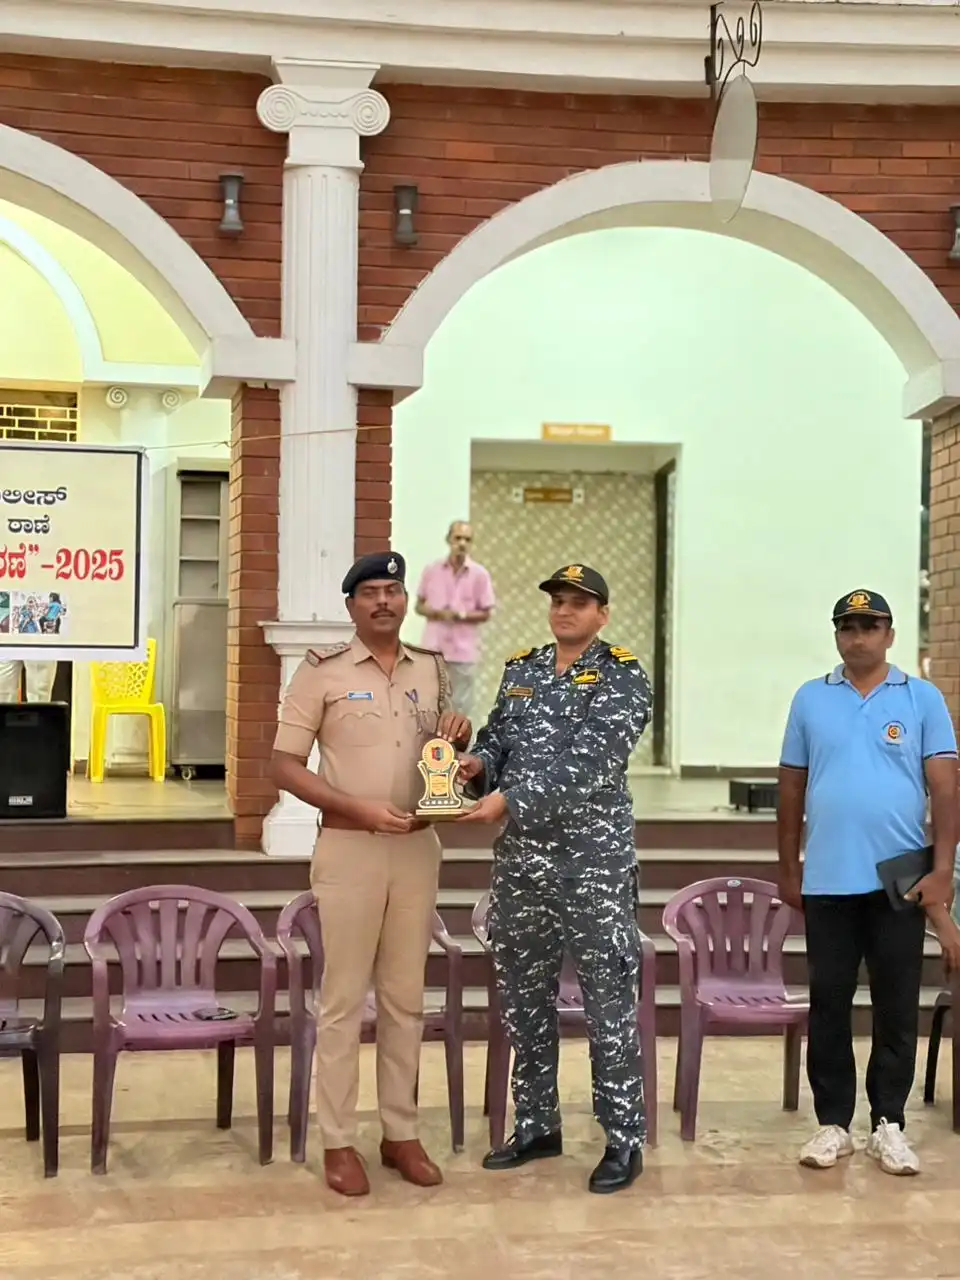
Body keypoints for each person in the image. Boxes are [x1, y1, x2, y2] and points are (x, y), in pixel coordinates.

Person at [270, 551, 471, 1198]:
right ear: (352, 606)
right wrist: (351, 805)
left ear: (405, 599)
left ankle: (401, 1133)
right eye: (371, 593)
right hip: (351, 849)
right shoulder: (322, 672)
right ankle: (338, 1141)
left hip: (417, 847)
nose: (384, 600)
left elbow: (441, 759)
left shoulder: (432, 669)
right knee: (343, 1000)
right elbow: (284, 765)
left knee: (406, 998)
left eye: (393, 589)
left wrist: (460, 745)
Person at [457, 563, 652, 1194]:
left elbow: (593, 761)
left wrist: (507, 800)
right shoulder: (524, 671)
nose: (564, 611)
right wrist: (474, 766)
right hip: (523, 864)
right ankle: (537, 1124)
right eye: (558, 602)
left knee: (607, 998)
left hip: (592, 862)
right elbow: (498, 742)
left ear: (602, 614)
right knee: (523, 998)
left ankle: (622, 1138)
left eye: (579, 603)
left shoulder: (623, 676)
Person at [778, 589, 960, 1177]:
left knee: (895, 1006)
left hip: (900, 883)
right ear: (836, 635)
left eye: (869, 625)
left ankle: (889, 1124)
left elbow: (947, 789)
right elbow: (790, 788)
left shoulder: (921, 698)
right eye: (847, 626)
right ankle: (833, 1123)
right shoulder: (810, 698)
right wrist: (788, 868)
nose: (858, 636)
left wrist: (941, 870)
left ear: (890, 633)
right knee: (829, 1002)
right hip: (829, 878)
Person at [415, 520, 495, 719]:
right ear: (448, 540)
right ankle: (430, 748)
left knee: (460, 708)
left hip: (463, 652)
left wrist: (461, 615)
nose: (462, 543)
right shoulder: (431, 570)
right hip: (433, 649)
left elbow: (486, 612)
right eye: (457, 538)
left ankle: (457, 749)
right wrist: (437, 613)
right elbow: (418, 605)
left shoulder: (480, 575)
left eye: (467, 539)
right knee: (430, 702)